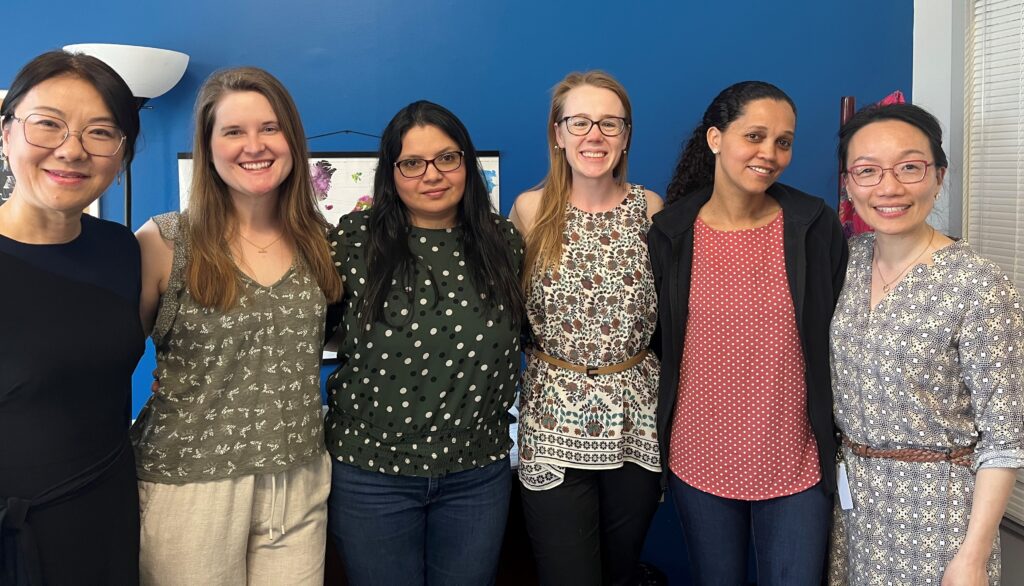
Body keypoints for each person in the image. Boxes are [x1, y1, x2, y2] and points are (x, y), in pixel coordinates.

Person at [129, 67, 342, 585]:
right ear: (208, 145)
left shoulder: (323, 244)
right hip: (191, 485)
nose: (255, 146)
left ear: (292, 138)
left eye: (270, 128)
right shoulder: (164, 243)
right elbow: (100, 364)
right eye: (233, 131)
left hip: (298, 479)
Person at [648, 81, 847, 585]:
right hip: (700, 454)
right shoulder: (672, 233)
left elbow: (841, 332)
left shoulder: (812, 224)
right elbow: (658, 341)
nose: (771, 153)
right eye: (755, 136)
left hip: (795, 458)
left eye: (784, 141)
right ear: (715, 138)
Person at [325, 100, 525, 586]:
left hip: (477, 474)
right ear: (391, 173)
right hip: (372, 475)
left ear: (466, 163)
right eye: (412, 163)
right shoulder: (353, 241)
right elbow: (307, 329)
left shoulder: (504, 242)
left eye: (447, 158)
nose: (431, 174)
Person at [829, 103, 1024, 585]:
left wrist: (973, 555)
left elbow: (1005, 440)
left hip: (939, 515)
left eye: (910, 167)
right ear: (849, 185)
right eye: (868, 171)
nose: (889, 188)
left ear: (938, 176)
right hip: (853, 505)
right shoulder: (844, 263)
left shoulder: (980, 286)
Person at [511, 70, 664, 586]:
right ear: (557, 133)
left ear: (626, 136)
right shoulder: (531, 211)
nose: (593, 136)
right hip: (553, 416)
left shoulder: (650, 208)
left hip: (636, 418)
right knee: (568, 574)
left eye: (609, 124)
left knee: (620, 572)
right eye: (579, 122)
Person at [0, 50, 143, 585]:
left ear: (122, 152)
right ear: (6, 133)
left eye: (100, 132)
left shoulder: (122, 250)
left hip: (106, 518)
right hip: (14, 539)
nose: (72, 150)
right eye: (48, 126)